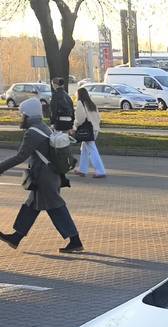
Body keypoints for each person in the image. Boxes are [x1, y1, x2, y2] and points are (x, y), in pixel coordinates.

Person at [0, 97, 83, 254]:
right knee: (31, 206)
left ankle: (75, 240)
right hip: (47, 176)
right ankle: (16, 237)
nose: (21, 118)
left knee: (56, 208)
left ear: (29, 115)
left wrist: (1, 168)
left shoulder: (32, 133)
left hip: (45, 178)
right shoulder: (43, 127)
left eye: (22, 115)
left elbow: (20, 156)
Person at [73, 86, 105, 178]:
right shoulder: (91, 104)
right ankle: (82, 170)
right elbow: (98, 117)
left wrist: (75, 127)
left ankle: (100, 171)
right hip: (94, 129)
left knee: (92, 150)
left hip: (86, 130)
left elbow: (80, 118)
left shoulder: (80, 103)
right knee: (84, 150)